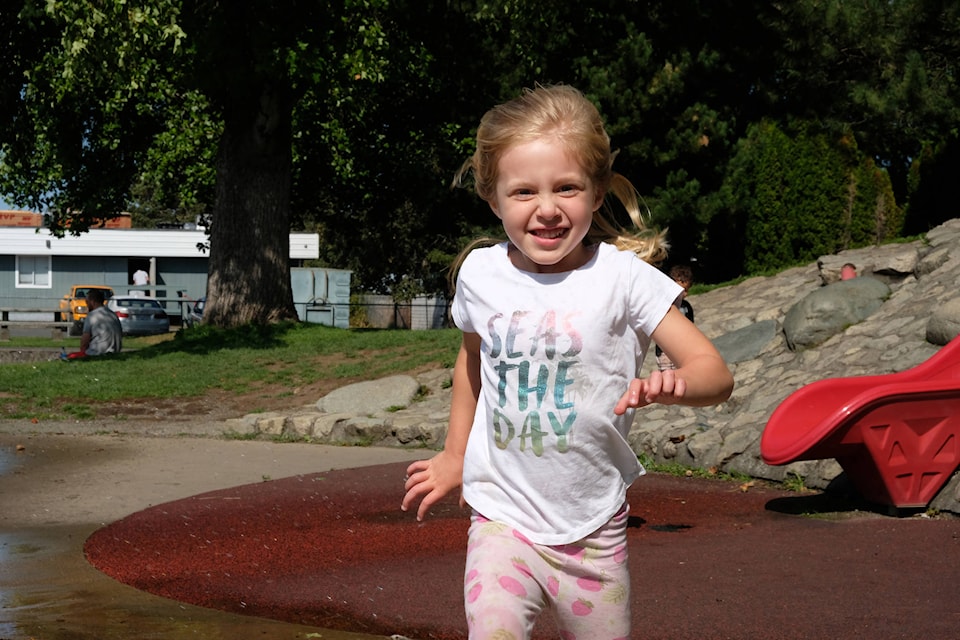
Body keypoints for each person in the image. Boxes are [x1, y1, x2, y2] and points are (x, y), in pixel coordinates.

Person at [401, 84, 734, 639]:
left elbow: (715, 374)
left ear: (597, 191)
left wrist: (675, 382)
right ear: (493, 197)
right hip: (501, 517)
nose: (547, 208)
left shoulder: (622, 279)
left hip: (592, 529)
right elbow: (471, 364)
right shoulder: (482, 275)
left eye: (568, 188)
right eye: (524, 191)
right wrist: (456, 453)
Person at [655, 264, 695, 369]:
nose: (685, 294)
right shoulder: (664, 306)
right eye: (683, 290)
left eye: (687, 290)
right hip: (665, 351)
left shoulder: (686, 307)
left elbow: (691, 327)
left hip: (683, 350)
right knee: (668, 376)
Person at [68, 289, 122, 358]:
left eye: (87, 302)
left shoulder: (92, 316)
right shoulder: (113, 315)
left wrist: (83, 352)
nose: (86, 304)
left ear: (93, 302)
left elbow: (85, 340)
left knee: (70, 356)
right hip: (115, 352)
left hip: (97, 352)